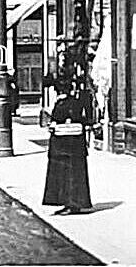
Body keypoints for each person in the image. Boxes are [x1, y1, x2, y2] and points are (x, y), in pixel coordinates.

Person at [43, 78, 94, 214]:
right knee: (76, 174)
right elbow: (85, 119)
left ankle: (70, 203)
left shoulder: (61, 104)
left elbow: (54, 120)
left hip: (63, 145)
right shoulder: (78, 101)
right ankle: (75, 202)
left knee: (64, 175)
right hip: (76, 145)